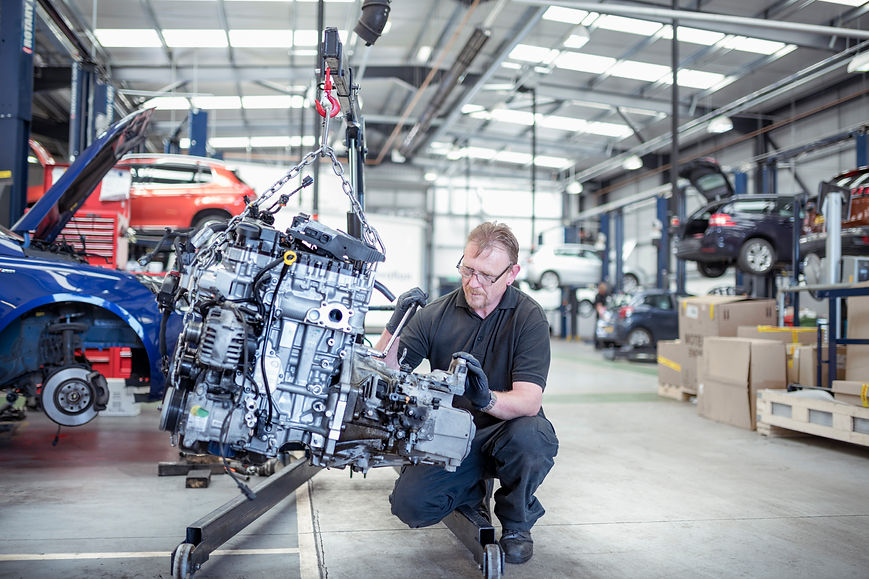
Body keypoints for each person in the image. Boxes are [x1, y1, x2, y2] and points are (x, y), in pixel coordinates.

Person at [374, 221, 559, 565]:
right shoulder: (436, 315)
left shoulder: (528, 317)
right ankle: (470, 492)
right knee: (410, 506)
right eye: (467, 269)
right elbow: (385, 374)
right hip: (451, 438)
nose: (473, 283)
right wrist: (393, 327)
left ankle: (517, 522)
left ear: (511, 273)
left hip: (508, 431)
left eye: (486, 275)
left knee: (533, 439)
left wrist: (486, 397)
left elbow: (529, 401)